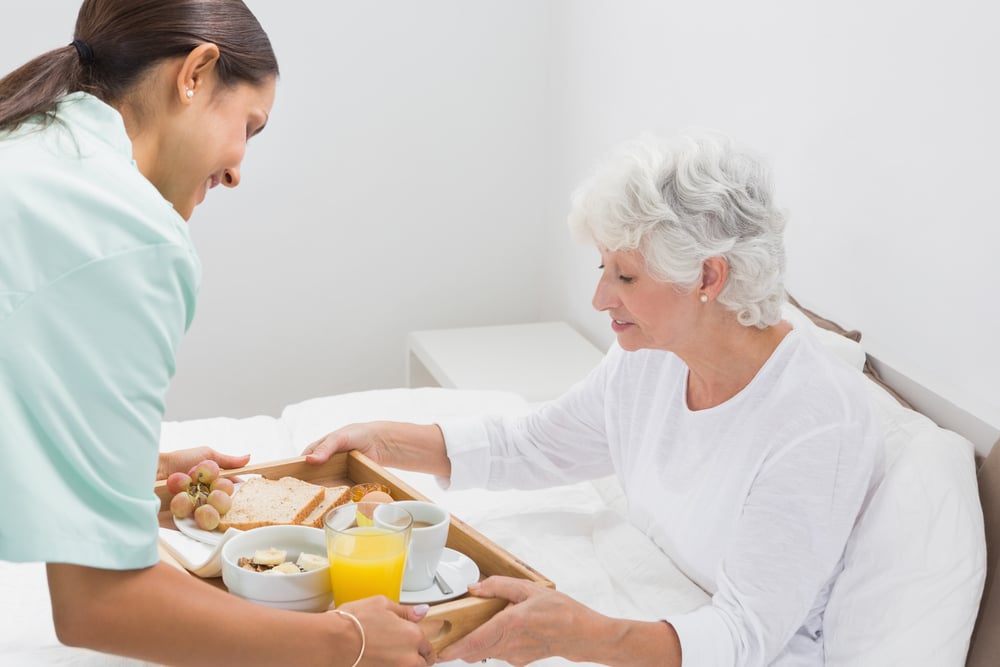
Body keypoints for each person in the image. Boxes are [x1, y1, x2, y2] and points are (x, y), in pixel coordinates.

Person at [304, 132, 883, 666]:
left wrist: (578, 633)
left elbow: (746, 633)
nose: (600, 297)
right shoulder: (653, 356)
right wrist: (385, 441)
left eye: (625, 277)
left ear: (708, 278)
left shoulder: (816, 421)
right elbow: (534, 443)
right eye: (602, 267)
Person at [0, 2, 433, 666]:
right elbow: (100, 605)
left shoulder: (33, 148)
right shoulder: (127, 234)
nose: (236, 171)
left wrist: (112, 476)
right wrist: (348, 641)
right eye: (249, 127)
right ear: (196, 72)